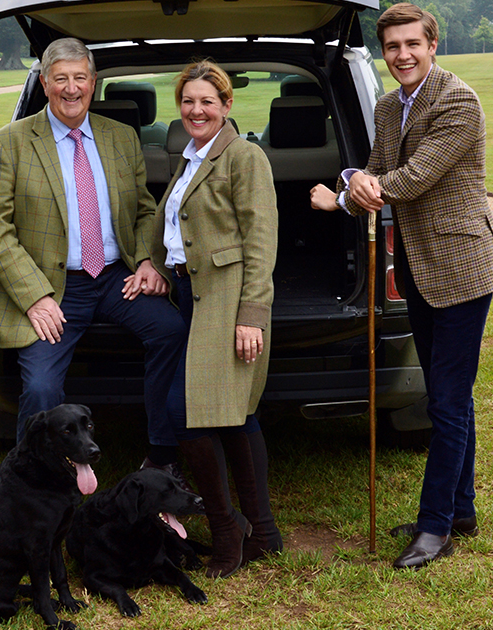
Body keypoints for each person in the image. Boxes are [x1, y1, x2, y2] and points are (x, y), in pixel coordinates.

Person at [310, 3, 493, 570]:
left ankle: (435, 526)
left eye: (411, 44)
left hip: (462, 269)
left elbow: (414, 178)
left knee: (445, 400)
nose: (401, 55)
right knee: (452, 397)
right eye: (392, 47)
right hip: (417, 270)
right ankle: (460, 509)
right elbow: (376, 167)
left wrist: (341, 197)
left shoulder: (458, 101)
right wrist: (360, 181)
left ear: (432, 44)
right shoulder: (387, 104)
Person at [0, 38, 185, 474]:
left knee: (170, 330)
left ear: (93, 83)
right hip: (53, 287)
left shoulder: (121, 137)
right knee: (38, 388)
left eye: (79, 78)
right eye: (60, 79)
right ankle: (32, 481)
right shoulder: (10, 142)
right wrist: (35, 296)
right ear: (45, 83)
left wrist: (148, 261)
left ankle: (163, 455)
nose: (71, 89)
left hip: (115, 278)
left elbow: (146, 209)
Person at [151, 59, 282, 579]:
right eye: (188, 101)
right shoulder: (188, 157)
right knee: (234, 413)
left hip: (228, 299)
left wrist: (251, 313)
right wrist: (152, 268)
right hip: (189, 292)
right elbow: (177, 228)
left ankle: (228, 531)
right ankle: (264, 531)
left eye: (207, 101)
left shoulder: (244, 157)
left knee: (186, 412)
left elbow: (260, 240)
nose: (196, 109)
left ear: (227, 106)